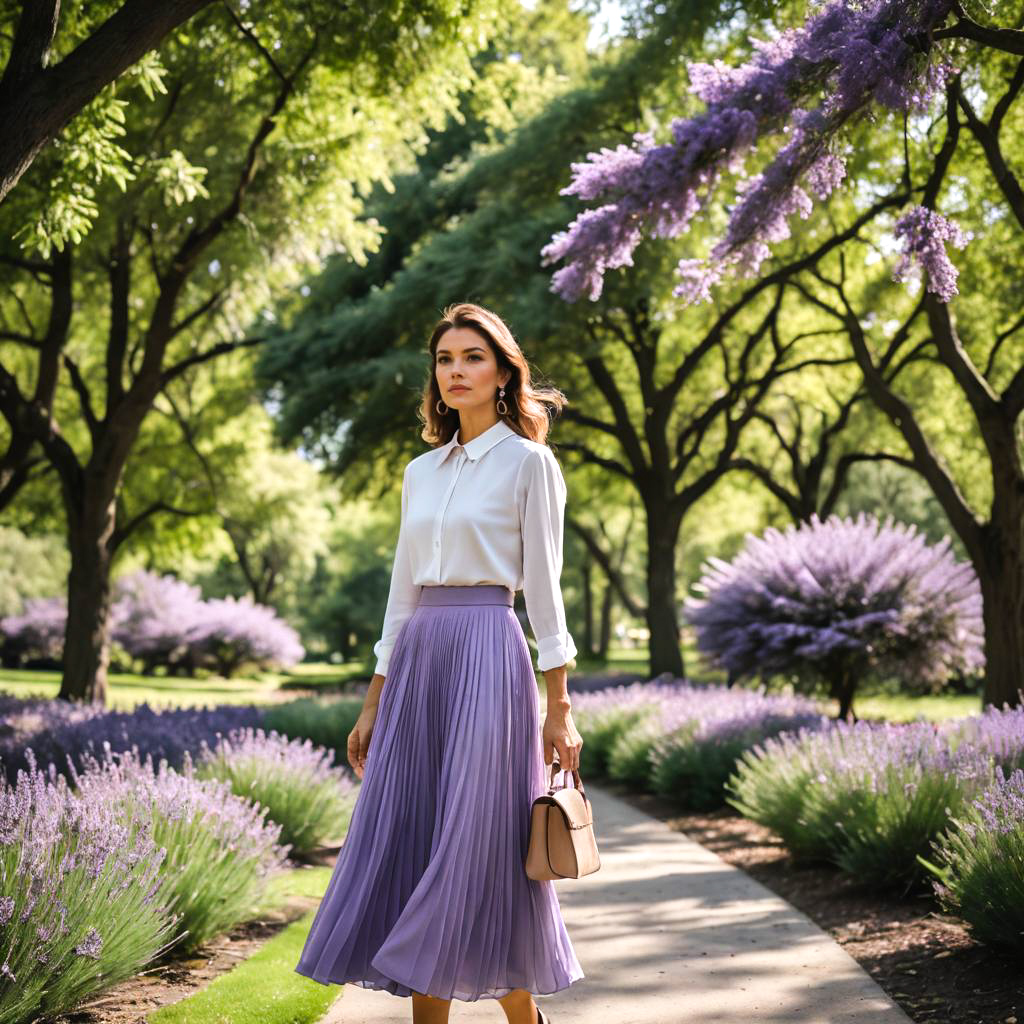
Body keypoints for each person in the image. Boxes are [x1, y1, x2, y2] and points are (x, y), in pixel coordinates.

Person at [294, 302, 585, 1024]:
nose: (455, 371)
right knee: (424, 844)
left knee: (477, 848)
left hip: (491, 650)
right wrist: (373, 702)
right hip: (421, 656)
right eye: (445, 359)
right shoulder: (420, 472)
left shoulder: (529, 462)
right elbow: (401, 594)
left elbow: (546, 594)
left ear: (502, 372)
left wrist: (560, 709)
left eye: (472, 358)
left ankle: (525, 1018)